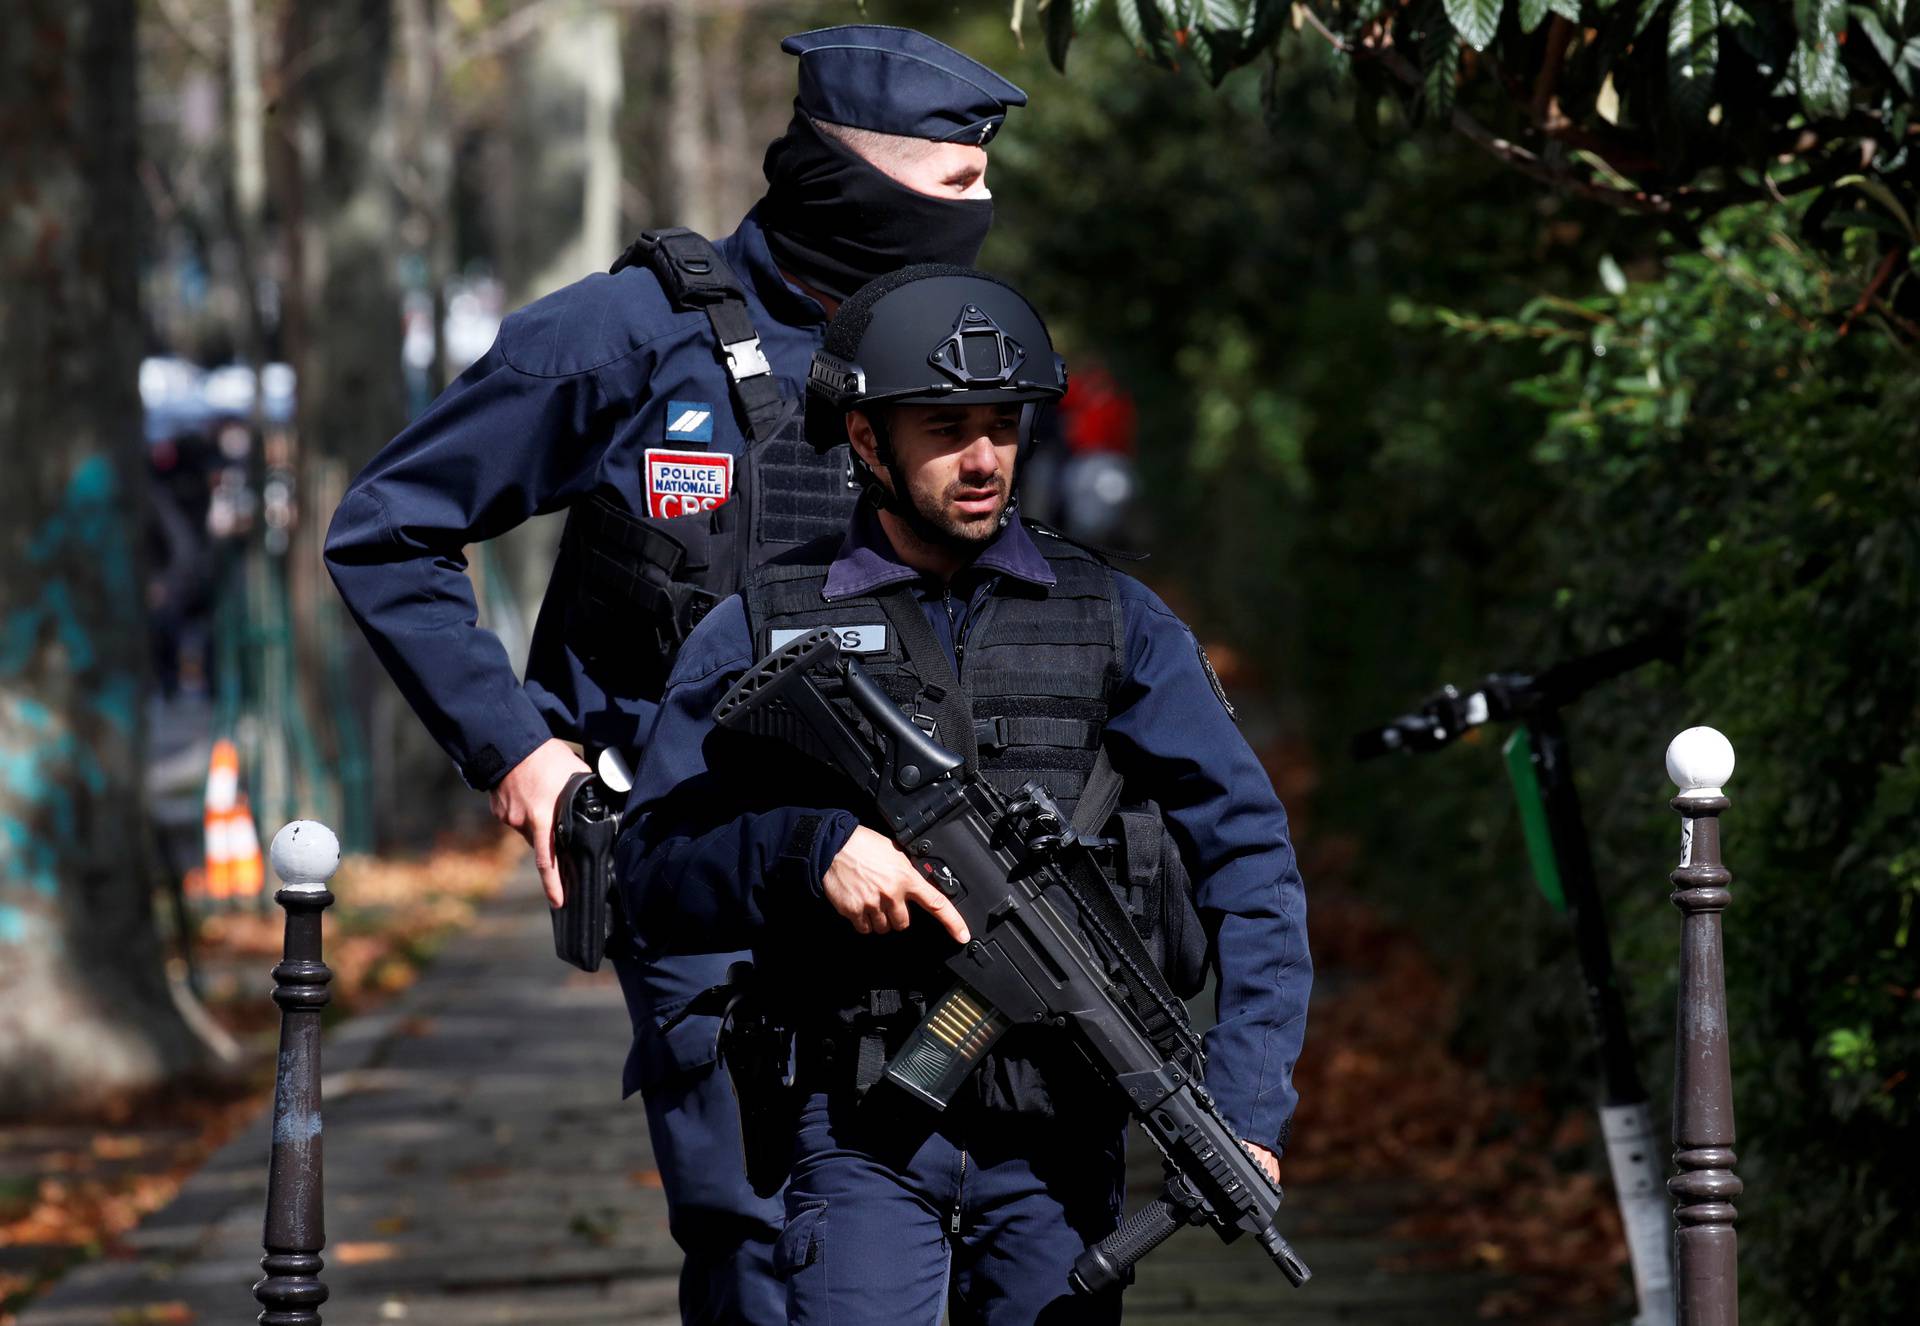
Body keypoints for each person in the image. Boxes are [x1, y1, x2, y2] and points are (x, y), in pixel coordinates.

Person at [322, 27, 1030, 1326]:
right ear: (845, 177)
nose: (983, 218)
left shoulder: (958, 354)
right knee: (768, 1258)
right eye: (954, 190)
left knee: (979, 1246)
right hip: (710, 884)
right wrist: (520, 752)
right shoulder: (630, 334)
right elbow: (389, 526)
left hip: (935, 874)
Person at [616, 267, 1313, 1324]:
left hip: (1062, 1123)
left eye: (1003, 426)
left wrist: (1251, 1105)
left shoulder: (1115, 620)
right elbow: (652, 870)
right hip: (855, 1121)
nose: (984, 459)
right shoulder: (760, 626)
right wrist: (809, 850)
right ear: (866, 442)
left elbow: (1252, 858)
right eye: (946, 428)